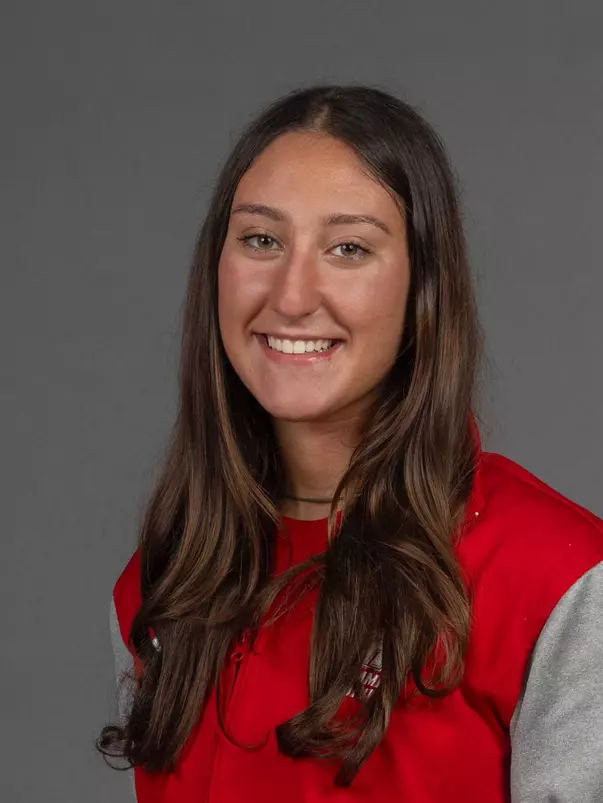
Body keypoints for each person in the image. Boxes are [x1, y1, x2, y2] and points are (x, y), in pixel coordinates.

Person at [97, 84, 603, 802]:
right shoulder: (164, 580)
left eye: (348, 248)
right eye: (261, 240)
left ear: (422, 288)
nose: (292, 295)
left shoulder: (557, 581)